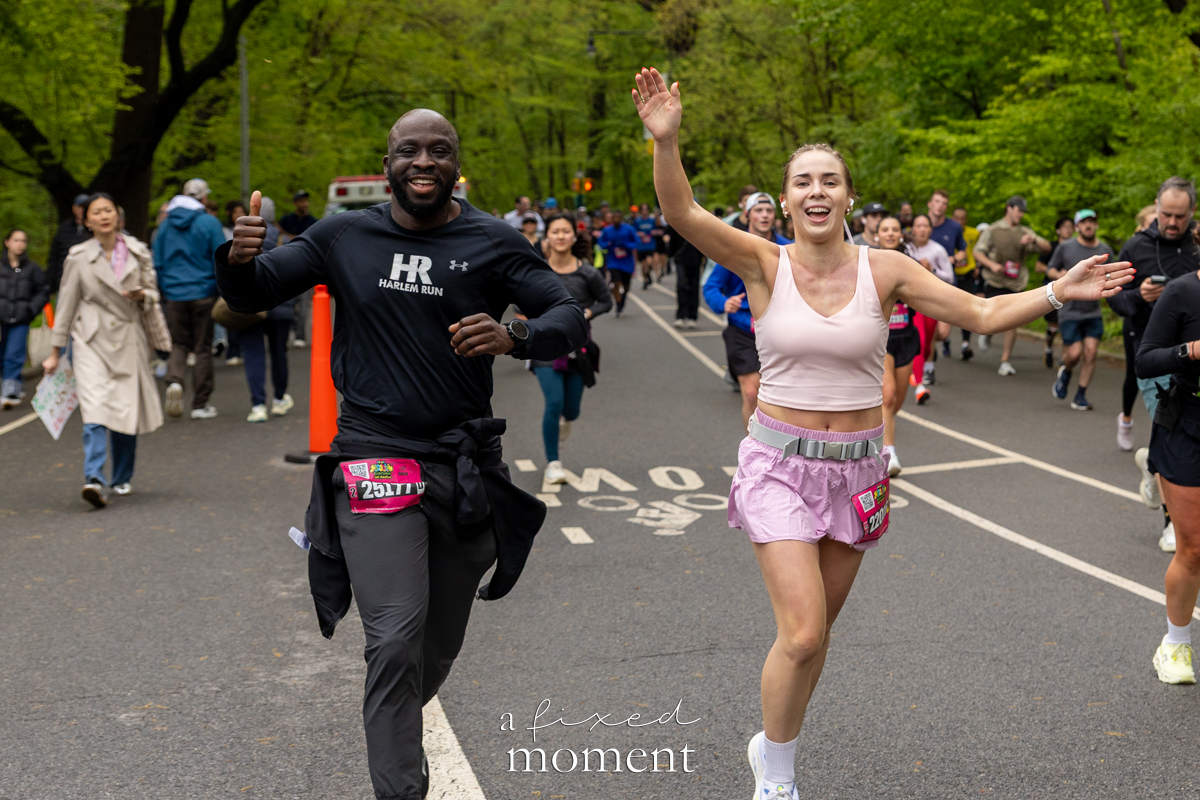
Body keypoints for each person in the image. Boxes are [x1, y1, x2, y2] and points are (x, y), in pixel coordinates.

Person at [632, 66, 1133, 800]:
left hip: (858, 471)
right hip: (778, 464)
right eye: (801, 180)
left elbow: (982, 314)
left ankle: (775, 738)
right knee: (801, 633)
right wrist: (667, 141)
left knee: (815, 639)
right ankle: (776, 775)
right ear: (788, 192)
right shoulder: (761, 262)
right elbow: (682, 213)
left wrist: (1059, 290)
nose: (814, 192)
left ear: (847, 195)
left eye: (828, 179)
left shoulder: (888, 268)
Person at [219, 108, 587, 800]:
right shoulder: (344, 235)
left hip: (463, 469)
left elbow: (567, 314)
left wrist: (516, 336)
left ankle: (393, 722)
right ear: (387, 161)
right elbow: (256, 289)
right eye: (409, 151)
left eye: (438, 151)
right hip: (374, 459)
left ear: (456, 164)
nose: (424, 161)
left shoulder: (492, 241)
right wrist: (238, 260)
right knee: (392, 637)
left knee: (432, 650)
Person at [42, 193, 165, 506]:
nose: (103, 216)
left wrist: (141, 297)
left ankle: (121, 477)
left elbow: (154, 294)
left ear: (118, 216)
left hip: (128, 336)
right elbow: (66, 304)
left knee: (125, 409)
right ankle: (94, 478)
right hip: (90, 340)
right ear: (87, 221)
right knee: (95, 409)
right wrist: (56, 351)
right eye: (96, 212)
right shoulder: (78, 257)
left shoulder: (138, 252)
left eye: (108, 210)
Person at [1111, 176, 1200, 553]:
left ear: (1191, 214)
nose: (1172, 222)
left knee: (1169, 436)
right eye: (1166, 214)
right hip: (1153, 353)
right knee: (1171, 423)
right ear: (1156, 207)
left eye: (1181, 216)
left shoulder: (1197, 248)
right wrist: (1140, 296)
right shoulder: (1136, 246)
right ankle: (1171, 523)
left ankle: (1153, 464)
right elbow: (1114, 297)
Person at [1135, 262, 1200, 683]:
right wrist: (1190, 350)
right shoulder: (1180, 292)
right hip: (1188, 425)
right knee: (1193, 547)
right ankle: (1175, 644)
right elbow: (1145, 361)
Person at [527, 212, 611, 485]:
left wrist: (587, 312)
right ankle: (553, 463)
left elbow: (606, 301)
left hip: (579, 348)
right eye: (555, 231)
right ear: (547, 237)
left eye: (566, 231)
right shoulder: (536, 270)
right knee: (553, 403)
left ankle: (566, 419)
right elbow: (520, 304)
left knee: (571, 409)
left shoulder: (587, 272)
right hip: (543, 348)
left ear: (574, 236)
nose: (560, 236)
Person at [704, 192, 793, 431]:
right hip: (743, 328)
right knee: (752, 393)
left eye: (768, 211)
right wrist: (723, 303)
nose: (764, 216)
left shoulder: (789, 248)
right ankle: (754, 454)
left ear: (776, 216)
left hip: (781, 330)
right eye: (758, 210)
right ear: (748, 214)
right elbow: (711, 287)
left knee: (782, 400)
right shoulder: (735, 248)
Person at [153, 177, 226, 420]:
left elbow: (158, 261)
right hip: (204, 292)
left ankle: (174, 382)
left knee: (179, 344)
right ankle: (200, 404)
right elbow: (221, 257)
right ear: (203, 197)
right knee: (203, 348)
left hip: (175, 294)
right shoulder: (209, 223)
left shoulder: (165, 225)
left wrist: (167, 288)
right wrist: (218, 288)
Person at [973, 196, 1052, 375]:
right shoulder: (993, 230)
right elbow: (977, 252)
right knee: (992, 317)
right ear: (1009, 208)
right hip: (995, 279)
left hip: (1016, 282)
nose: (1021, 214)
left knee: (1012, 321)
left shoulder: (1024, 232)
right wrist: (992, 265)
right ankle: (987, 331)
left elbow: (1046, 247)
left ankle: (1005, 360)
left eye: (1024, 212)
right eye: (1019, 210)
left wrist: (1032, 240)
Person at [1048, 210, 1113, 411]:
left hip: (1092, 311)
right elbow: (1050, 269)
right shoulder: (1065, 247)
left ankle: (1080, 395)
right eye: (1084, 222)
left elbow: (1111, 274)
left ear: (1096, 225)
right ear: (1077, 227)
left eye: (1091, 222)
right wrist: (1062, 275)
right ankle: (1066, 372)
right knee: (1074, 353)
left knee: (1091, 352)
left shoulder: (1104, 249)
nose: (1088, 225)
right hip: (1070, 309)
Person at [240, 195, 293, 423]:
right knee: (279, 353)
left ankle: (258, 404)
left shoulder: (243, 237)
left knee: (253, 355)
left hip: (251, 305)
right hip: (280, 306)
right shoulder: (285, 240)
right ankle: (280, 399)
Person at [876, 216, 920, 474]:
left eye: (895, 229)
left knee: (897, 401)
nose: (890, 233)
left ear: (901, 235)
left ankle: (877, 434)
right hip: (881, 338)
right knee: (888, 394)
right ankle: (889, 454)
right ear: (877, 235)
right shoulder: (869, 262)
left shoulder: (910, 264)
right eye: (885, 229)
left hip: (906, 335)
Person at [905, 214, 954, 397]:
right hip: (911, 300)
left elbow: (949, 277)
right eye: (919, 225)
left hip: (933, 299)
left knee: (935, 336)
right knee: (921, 337)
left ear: (931, 230)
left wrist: (931, 269)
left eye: (926, 226)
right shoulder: (906, 249)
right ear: (913, 229)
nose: (922, 229)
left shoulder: (938, 250)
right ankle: (920, 379)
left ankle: (925, 364)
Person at [1, 230, 49, 408]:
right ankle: (16, 383)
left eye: (23, 241)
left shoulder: (32, 268)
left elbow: (43, 290)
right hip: (1, 320)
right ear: (7, 242)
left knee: (13, 355)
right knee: (2, 356)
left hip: (20, 319)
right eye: (16, 240)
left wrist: (31, 309)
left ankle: (9, 393)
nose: (20, 244)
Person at [1036, 217, 1076, 368]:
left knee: (1068, 322)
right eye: (1065, 226)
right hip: (1052, 288)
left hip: (1072, 290)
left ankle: (1065, 357)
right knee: (1053, 326)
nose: (1068, 229)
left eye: (1071, 226)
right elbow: (1038, 267)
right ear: (1058, 230)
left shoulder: (1076, 247)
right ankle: (1048, 347)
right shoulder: (1051, 247)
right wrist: (1055, 273)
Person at [281, 191, 317, 347]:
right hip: (288, 266)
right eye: (301, 201)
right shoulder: (286, 221)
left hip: (307, 268)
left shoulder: (313, 221)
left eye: (306, 201)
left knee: (303, 304)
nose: (304, 204)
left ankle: (300, 335)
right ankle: (290, 330)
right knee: (289, 302)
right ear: (296, 203)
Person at [46, 193, 92, 292]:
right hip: (64, 283)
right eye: (80, 207)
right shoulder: (63, 229)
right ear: (73, 209)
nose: (82, 210)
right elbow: (54, 257)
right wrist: (50, 284)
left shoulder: (96, 229)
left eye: (86, 207)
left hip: (89, 284)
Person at [951, 205, 980, 360]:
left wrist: (977, 266)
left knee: (968, 308)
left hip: (968, 272)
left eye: (962, 218)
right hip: (951, 274)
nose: (959, 221)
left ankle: (965, 343)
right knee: (948, 309)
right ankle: (945, 339)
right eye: (956, 218)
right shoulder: (947, 231)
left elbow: (979, 250)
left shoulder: (973, 233)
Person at [597, 209, 638, 316]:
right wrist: (607, 245)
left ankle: (622, 302)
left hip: (627, 261)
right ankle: (618, 302)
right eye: (613, 218)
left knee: (626, 285)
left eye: (617, 218)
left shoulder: (629, 229)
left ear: (621, 218)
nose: (615, 220)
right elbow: (601, 242)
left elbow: (636, 242)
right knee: (615, 281)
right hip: (613, 260)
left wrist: (627, 245)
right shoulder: (607, 230)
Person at [668, 222, 704, 328]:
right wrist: (671, 256)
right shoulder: (677, 222)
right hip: (680, 259)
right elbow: (672, 241)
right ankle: (681, 315)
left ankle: (692, 316)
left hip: (695, 260)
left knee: (694, 287)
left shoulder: (699, 224)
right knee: (681, 286)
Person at [634, 203, 659, 289]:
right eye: (643, 210)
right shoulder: (637, 221)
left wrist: (654, 232)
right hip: (641, 246)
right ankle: (646, 279)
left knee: (649, 263)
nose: (644, 211)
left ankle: (648, 275)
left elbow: (657, 229)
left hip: (650, 245)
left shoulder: (652, 220)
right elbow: (634, 232)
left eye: (646, 209)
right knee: (643, 266)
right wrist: (639, 233)